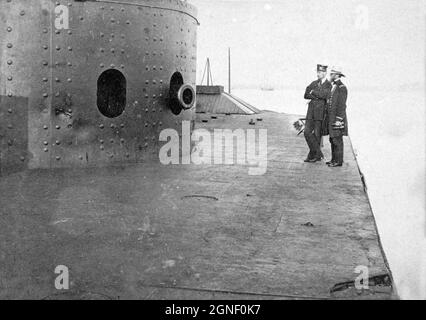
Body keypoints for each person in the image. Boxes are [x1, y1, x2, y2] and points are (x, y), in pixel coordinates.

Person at [303, 64, 332, 163]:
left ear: (324, 73)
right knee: (306, 132)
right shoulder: (314, 83)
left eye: (320, 72)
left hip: (320, 114)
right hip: (310, 112)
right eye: (317, 72)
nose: (318, 74)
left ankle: (312, 155)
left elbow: (325, 95)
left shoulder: (328, 84)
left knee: (317, 135)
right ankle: (318, 153)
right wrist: (317, 96)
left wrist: (313, 92)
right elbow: (306, 95)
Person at [326, 67, 348, 167]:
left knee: (337, 139)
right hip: (331, 117)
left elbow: (342, 105)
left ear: (338, 75)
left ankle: (338, 161)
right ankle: (333, 159)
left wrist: (339, 119)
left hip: (337, 118)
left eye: (333, 74)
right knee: (332, 138)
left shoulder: (342, 88)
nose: (331, 75)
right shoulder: (333, 86)